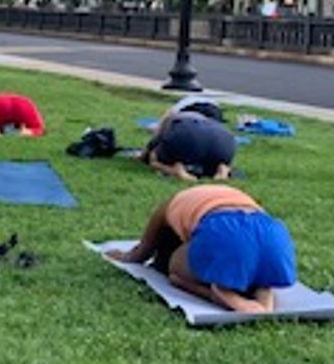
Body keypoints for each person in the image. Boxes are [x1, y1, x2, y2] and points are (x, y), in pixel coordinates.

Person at [107, 183, 297, 314]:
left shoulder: (168, 206)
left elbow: (143, 250)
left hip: (225, 230)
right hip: (272, 232)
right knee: (253, 259)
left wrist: (125, 257)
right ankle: (263, 288)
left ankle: (221, 292)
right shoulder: (195, 202)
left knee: (175, 270)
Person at [143, 109, 237, 181]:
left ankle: (175, 170)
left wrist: (146, 155)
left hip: (188, 136)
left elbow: (155, 140)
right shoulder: (208, 121)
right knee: (209, 159)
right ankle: (222, 169)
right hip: (224, 140)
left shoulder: (174, 116)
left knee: (154, 159)